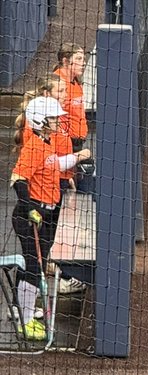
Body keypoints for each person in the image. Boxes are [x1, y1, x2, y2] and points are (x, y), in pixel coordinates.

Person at [10, 96, 91, 340]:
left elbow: (53, 167)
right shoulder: (34, 146)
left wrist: (78, 158)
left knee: (37, 264)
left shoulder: (46, 144)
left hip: (45, 212)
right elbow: (18, 179)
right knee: (34, 266)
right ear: (42, 121)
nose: (58, 122)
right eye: (54, 119)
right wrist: (29, 209)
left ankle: (24, 311)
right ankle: (24, 319)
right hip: (31, 214)